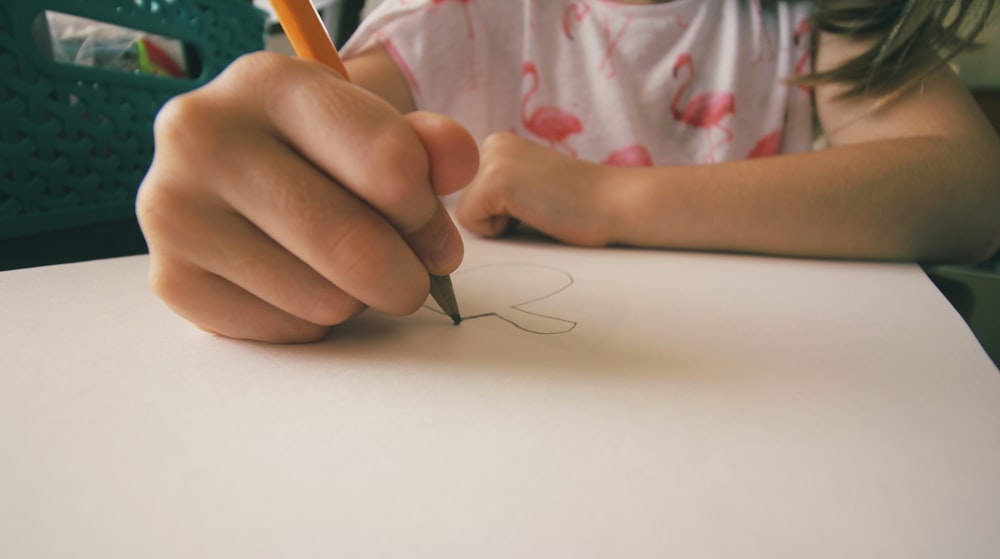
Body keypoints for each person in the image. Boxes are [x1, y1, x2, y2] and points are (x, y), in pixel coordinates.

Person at [136, 0, 1000, 343]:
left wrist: (609, 197)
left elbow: (969, 189)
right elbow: (305, 125)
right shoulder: (454, 20)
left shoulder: (820, 22)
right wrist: (236, 162)